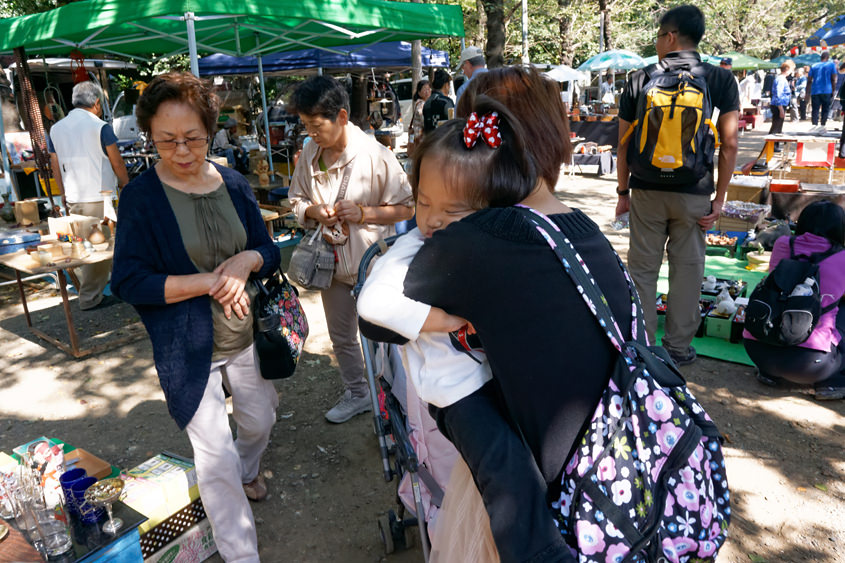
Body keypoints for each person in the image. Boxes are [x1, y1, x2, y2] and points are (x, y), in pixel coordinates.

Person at [398, 66, 636, 562]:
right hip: (613, 475)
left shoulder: (487, 239)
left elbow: (380, 307)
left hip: (533, 491)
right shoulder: (584, 230)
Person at [110, 72, 281, 562]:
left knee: (259, 419)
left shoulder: (232, 181)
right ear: (150, 137)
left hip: (247, 333)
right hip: (187, 348)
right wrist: (206, 282)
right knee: (215, 457)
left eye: (193, 139)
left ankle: (249, 471)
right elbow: (128, 280)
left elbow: (266, 249)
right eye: (166, 141)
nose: (182, 151)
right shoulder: (142, 198)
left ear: (211, 130)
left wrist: (248, 261)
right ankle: (240, 553)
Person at [616, 4, 739, 366]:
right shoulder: (719, 79)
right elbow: (730, 143)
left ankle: (643, 347)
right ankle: (678, 348)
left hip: (647, 190)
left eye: (657, 36)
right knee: (687, 270)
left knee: (642, 270)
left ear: (669, 37)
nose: (656, 43)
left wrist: (623, 193)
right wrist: (720, 198)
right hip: (695, 191)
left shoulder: (640, 78)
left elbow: (622, 144)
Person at [287, 75, 414, 424]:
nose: (310, 133)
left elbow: (407, 208)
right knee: (342, 336)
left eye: (315, 125)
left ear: (342, 117)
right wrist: (312, 211)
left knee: (381, 338)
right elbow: (295, 199)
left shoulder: (377, 156)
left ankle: (394, 400)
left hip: (371, 267)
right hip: (330, 265)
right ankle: (358, 393)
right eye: (305, 126)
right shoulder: (310, 154)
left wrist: (364, 213)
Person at [744, 201, 845, 401]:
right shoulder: (842, 256)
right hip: (811, 365)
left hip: (758, 351)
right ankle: (833, 382)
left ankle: (769, 373)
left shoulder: (783, 243)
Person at [48, 80, 129, 310]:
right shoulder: (100, 126)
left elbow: (55, 164)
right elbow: (117, 162)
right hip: (101, 197)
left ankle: (117, 286)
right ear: (96, 103)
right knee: (99, 251)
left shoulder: (56, 128)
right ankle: (90, 298)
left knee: (89, 247)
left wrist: (62, 192)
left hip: (74, 196)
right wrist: (127, 185)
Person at [807, 51, 837, 128]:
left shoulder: (814, 66)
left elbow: (809, 80)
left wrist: (807, 92)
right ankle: (823, 125)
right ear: (827, 58)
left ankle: (814, 125)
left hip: (815, 90)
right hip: (827, 90)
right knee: (825, 108)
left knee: (815, 109)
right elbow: (833, 79)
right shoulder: (831, 65)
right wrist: (833, 90)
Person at [769, 61, 793, 151]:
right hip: (778, 105)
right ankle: (773, 146)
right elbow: (778, 94)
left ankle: (774, 145)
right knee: (776, 126)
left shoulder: (781, 79)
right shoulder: (781, 79)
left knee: (777, 126)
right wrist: (781, 109)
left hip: (780, 105)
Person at [407, 79, 431, 155]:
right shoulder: (421, 104)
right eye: (424, 89)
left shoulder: (423, 103)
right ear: (419, 92)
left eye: (428, 89)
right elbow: (423, 121)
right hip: (420, 137)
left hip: (418, 137)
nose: (427, 91)